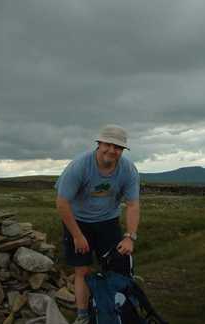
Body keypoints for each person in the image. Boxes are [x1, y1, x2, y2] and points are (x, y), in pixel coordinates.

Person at [55, 124, 140, 324]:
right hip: (78, 221)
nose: (112, 150)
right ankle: (83, 315)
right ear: (99, 143)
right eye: (108, 144)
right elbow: (62, 202)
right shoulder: (80, 166)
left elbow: (133, 204)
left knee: (116, 267)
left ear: (123, 150)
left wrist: (130, 236)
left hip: (108, 222)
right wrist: (77, 235)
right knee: (82, 270)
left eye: (118, 147)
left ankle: (116, 307)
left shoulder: (127, 169)